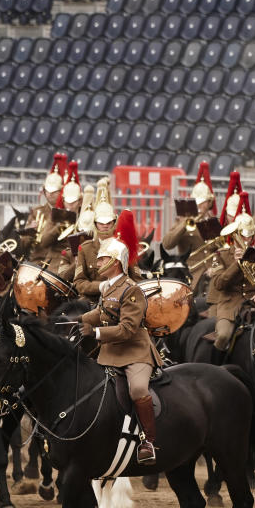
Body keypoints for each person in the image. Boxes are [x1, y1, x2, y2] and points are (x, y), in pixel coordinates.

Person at [79, 210, 163, 465]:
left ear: (114, 262)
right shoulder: (110, 288)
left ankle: (148, 441)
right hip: (111, 351)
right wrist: (77, 320)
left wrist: (95, 333)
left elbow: (127, 328)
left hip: (134, 351)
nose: (97, 260)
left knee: (137, 388)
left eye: (102, 257)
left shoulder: (132, 289)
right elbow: (102, 312)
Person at [206, 208, 255, 360]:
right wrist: (236, 264)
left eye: (249, 237)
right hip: (229, 308)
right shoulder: (222, 255)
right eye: (242, 236)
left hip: (253, 307)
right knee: (223, 336)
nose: (246, 241)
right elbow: (218, 284)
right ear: (235, 235)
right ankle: (215, 370)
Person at [162, 160, 217, 294]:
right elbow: (167, 244)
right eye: (196, 202)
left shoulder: (214, 220)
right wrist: (185, 224)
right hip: (192, 272)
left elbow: (218, 248)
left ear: (209, 203)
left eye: (202, 203)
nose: (199, 206)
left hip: (213, 273)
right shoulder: (182, 220)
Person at [74, 177, 122, 303]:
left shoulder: (123, 247)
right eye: (101, 222)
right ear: (95, 224)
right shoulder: (85, 248)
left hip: (119, 301)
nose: (105, 225)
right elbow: (79, 282)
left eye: (109, 222)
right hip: (91, 301)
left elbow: (136, 279)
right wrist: (99, 287)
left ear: (114, 222)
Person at [23, 153, 70, 273]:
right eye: (47, 191)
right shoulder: (36, 211)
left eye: (55, 191)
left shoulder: (68, 214)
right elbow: (23, 244)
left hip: (59, 264)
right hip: (37, 262)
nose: (50, 194)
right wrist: (30, 230)